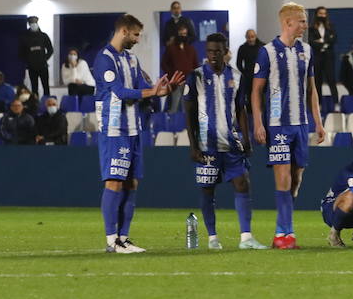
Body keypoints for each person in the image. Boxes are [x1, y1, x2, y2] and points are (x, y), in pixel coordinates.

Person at [93, 13, 183, 253]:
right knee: (114, 182)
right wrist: (151, 92)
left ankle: (124, 238)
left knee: (131, 183)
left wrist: (164, 90)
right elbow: (119, 92)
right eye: (135, 35)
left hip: (135, 129)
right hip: (115, 129)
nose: (137, 40)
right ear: (123, 31)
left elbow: (144, 89)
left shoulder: (131, 60)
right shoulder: (104, 59)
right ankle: (111, 240)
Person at [252, 2, 327, 249]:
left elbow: (311, 88)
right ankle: (284, 233)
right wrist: (258, 123)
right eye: (302, 21)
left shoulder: (306, 51)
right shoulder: (267, 52)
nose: (305, 26)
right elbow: (256, 91)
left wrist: (319, 121)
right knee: (282, 178)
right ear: (288, 23)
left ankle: (284, 229)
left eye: (305, 21)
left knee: (296, 178)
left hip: (301, 124)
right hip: (278, 125)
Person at [185, 33, 267, 249]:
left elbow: (241, 108)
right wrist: (193, 145)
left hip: (231, 143)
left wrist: (246, 138)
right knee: (208, 190)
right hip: (206, 145)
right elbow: (189, 112)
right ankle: (212, 238)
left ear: (226, 52)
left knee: (242, 184)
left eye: (218, 51)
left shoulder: (237, 76)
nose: (213, 55)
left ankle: (246, 238)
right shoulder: (196, 76)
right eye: (210, 51)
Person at [161, 26, 201, 112]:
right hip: (176, 81)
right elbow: (164, 64)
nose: (183, 36)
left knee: (187, 106)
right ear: (177, 34)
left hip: (188, 81)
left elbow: (195, 65)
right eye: (181, 34)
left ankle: (186, 125)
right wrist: (172, 75)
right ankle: (172, 124)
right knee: (174, 105)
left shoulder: (191, 49)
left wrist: (194, 78)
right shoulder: (171, 48)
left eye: (185, 34)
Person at [19, 16, 54, 99]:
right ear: (29, 24)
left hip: (43, 66)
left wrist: (44, 58)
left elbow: (50, 49)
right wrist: (28, 61)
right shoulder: (24, 37)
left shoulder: (43, 36)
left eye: (34, 23)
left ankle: (46, 102)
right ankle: (35, 104)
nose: (33, 25)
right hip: (31, 67)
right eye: (31, 23)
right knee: (34, 88)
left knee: (46, 86)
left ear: (37, 24)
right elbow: (20, 53)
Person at [309, 7, 338, 98]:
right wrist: (324, 43)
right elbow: (311, 41)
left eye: (324, 14)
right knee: (317, 81)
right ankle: (319, 104)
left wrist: (322, 42)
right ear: (316, 14)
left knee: (331, 80)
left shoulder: (331, 27)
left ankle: (336, 103)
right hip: (317, 57)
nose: (322, 16)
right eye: (320, 13)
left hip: (328, 57)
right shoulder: (311, 28)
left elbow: (333, 39)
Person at [235, 28, 263, 110]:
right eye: (248, 37)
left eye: (252, 37)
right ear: (246, 37)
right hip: (248, 77)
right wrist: (245, 73)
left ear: (255, 36)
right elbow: (238, 63)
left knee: (261, 98)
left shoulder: (262, 47)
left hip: (261, 76)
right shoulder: (242, 48)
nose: (250, 39)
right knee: (249, 98)